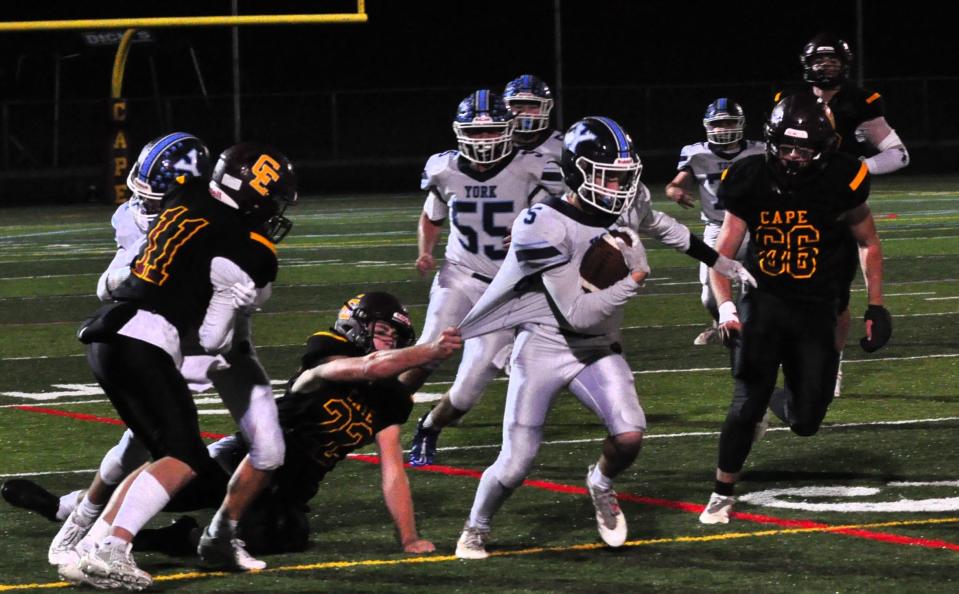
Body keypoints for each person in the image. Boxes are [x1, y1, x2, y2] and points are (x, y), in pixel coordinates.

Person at [5, 293, 462, 558]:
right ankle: (65, 510)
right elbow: (366, 368)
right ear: (357, 326)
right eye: (382, 332)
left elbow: (391, 468)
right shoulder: (327, 354)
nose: (388, 343)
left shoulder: (387, 403)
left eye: (394, 338)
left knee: (283, 535)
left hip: (286, 491)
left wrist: (409, 537)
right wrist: (425, 352)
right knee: (166, 485)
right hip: (238, 461)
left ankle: (152, 541)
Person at [71, 142, 297, 591]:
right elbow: (115, 282)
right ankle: (93, 539)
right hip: (170, 341)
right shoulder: (214, 229)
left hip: (206, 345)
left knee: (263, 450)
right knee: (161, 447)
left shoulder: (203, 209)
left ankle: (217, 538)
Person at [450, 115, 650, 559]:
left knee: (630, 435)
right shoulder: (542, 221)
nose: (619, 187)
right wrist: (633, 276)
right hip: (544, 345)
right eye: (608, 177)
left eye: (623, 177)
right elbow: (576, 313)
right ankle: (475, 526)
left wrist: (715, 257)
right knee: (516, 462)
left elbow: (664, 225)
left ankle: (600, 482)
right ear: (578, 172)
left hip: (596, 348)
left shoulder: (626, 208)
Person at [698, 94, 891, 525]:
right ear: (770, 141)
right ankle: (721, 492)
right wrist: (726, 306)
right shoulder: (749, 176)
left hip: (818, 309)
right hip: (764, 303)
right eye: (786, 147)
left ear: (824, 149)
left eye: (804, 149)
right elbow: (722, 255)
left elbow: (868, 242)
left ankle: (775, 404)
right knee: (745, 399)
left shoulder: (844, 176)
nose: (793, 157)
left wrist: (876, 306)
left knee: (806, 420)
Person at [408, 90, 563, 466]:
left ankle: (429, 426)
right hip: (459, 275)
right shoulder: (444, 169)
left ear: (508, 129)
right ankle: (378, 411)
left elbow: (562, 215)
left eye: (491, 131)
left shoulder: (534, 167)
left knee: (468, 389)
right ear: (459, 134)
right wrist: (425, 251)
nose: (483, 141)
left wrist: (537, 229)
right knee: (427, 351)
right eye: (475, 134)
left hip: (506, 290)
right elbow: (432, 215)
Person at [776, 32, 908, 396]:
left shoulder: (861, 101)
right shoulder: (791, 99)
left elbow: (898, 154)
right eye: (819, 62)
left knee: (837, 296)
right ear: (806, 66)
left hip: (839, 203)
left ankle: (830, 365)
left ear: (844, 66)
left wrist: (856, 168)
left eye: (833, 62)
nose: (826, 67)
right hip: (792, 200)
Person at [665, 99, 765, 345]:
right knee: (710, 298)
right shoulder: (696, 153)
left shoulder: (760, 150)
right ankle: (719, 322)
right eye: (718, 124)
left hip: (754, 227)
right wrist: (674, 191)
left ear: (740, 124)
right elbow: (675, 183)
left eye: (729, 122)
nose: (723, 128)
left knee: (758, 287)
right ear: (708, 126)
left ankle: (751, 327)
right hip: (717, 228)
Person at [503, 74, 564, 161]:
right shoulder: (497, 145)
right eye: (519, 107)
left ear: (546, 107)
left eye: (533, 107)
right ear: (506, 107)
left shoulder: (562, 144)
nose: (526, 113)